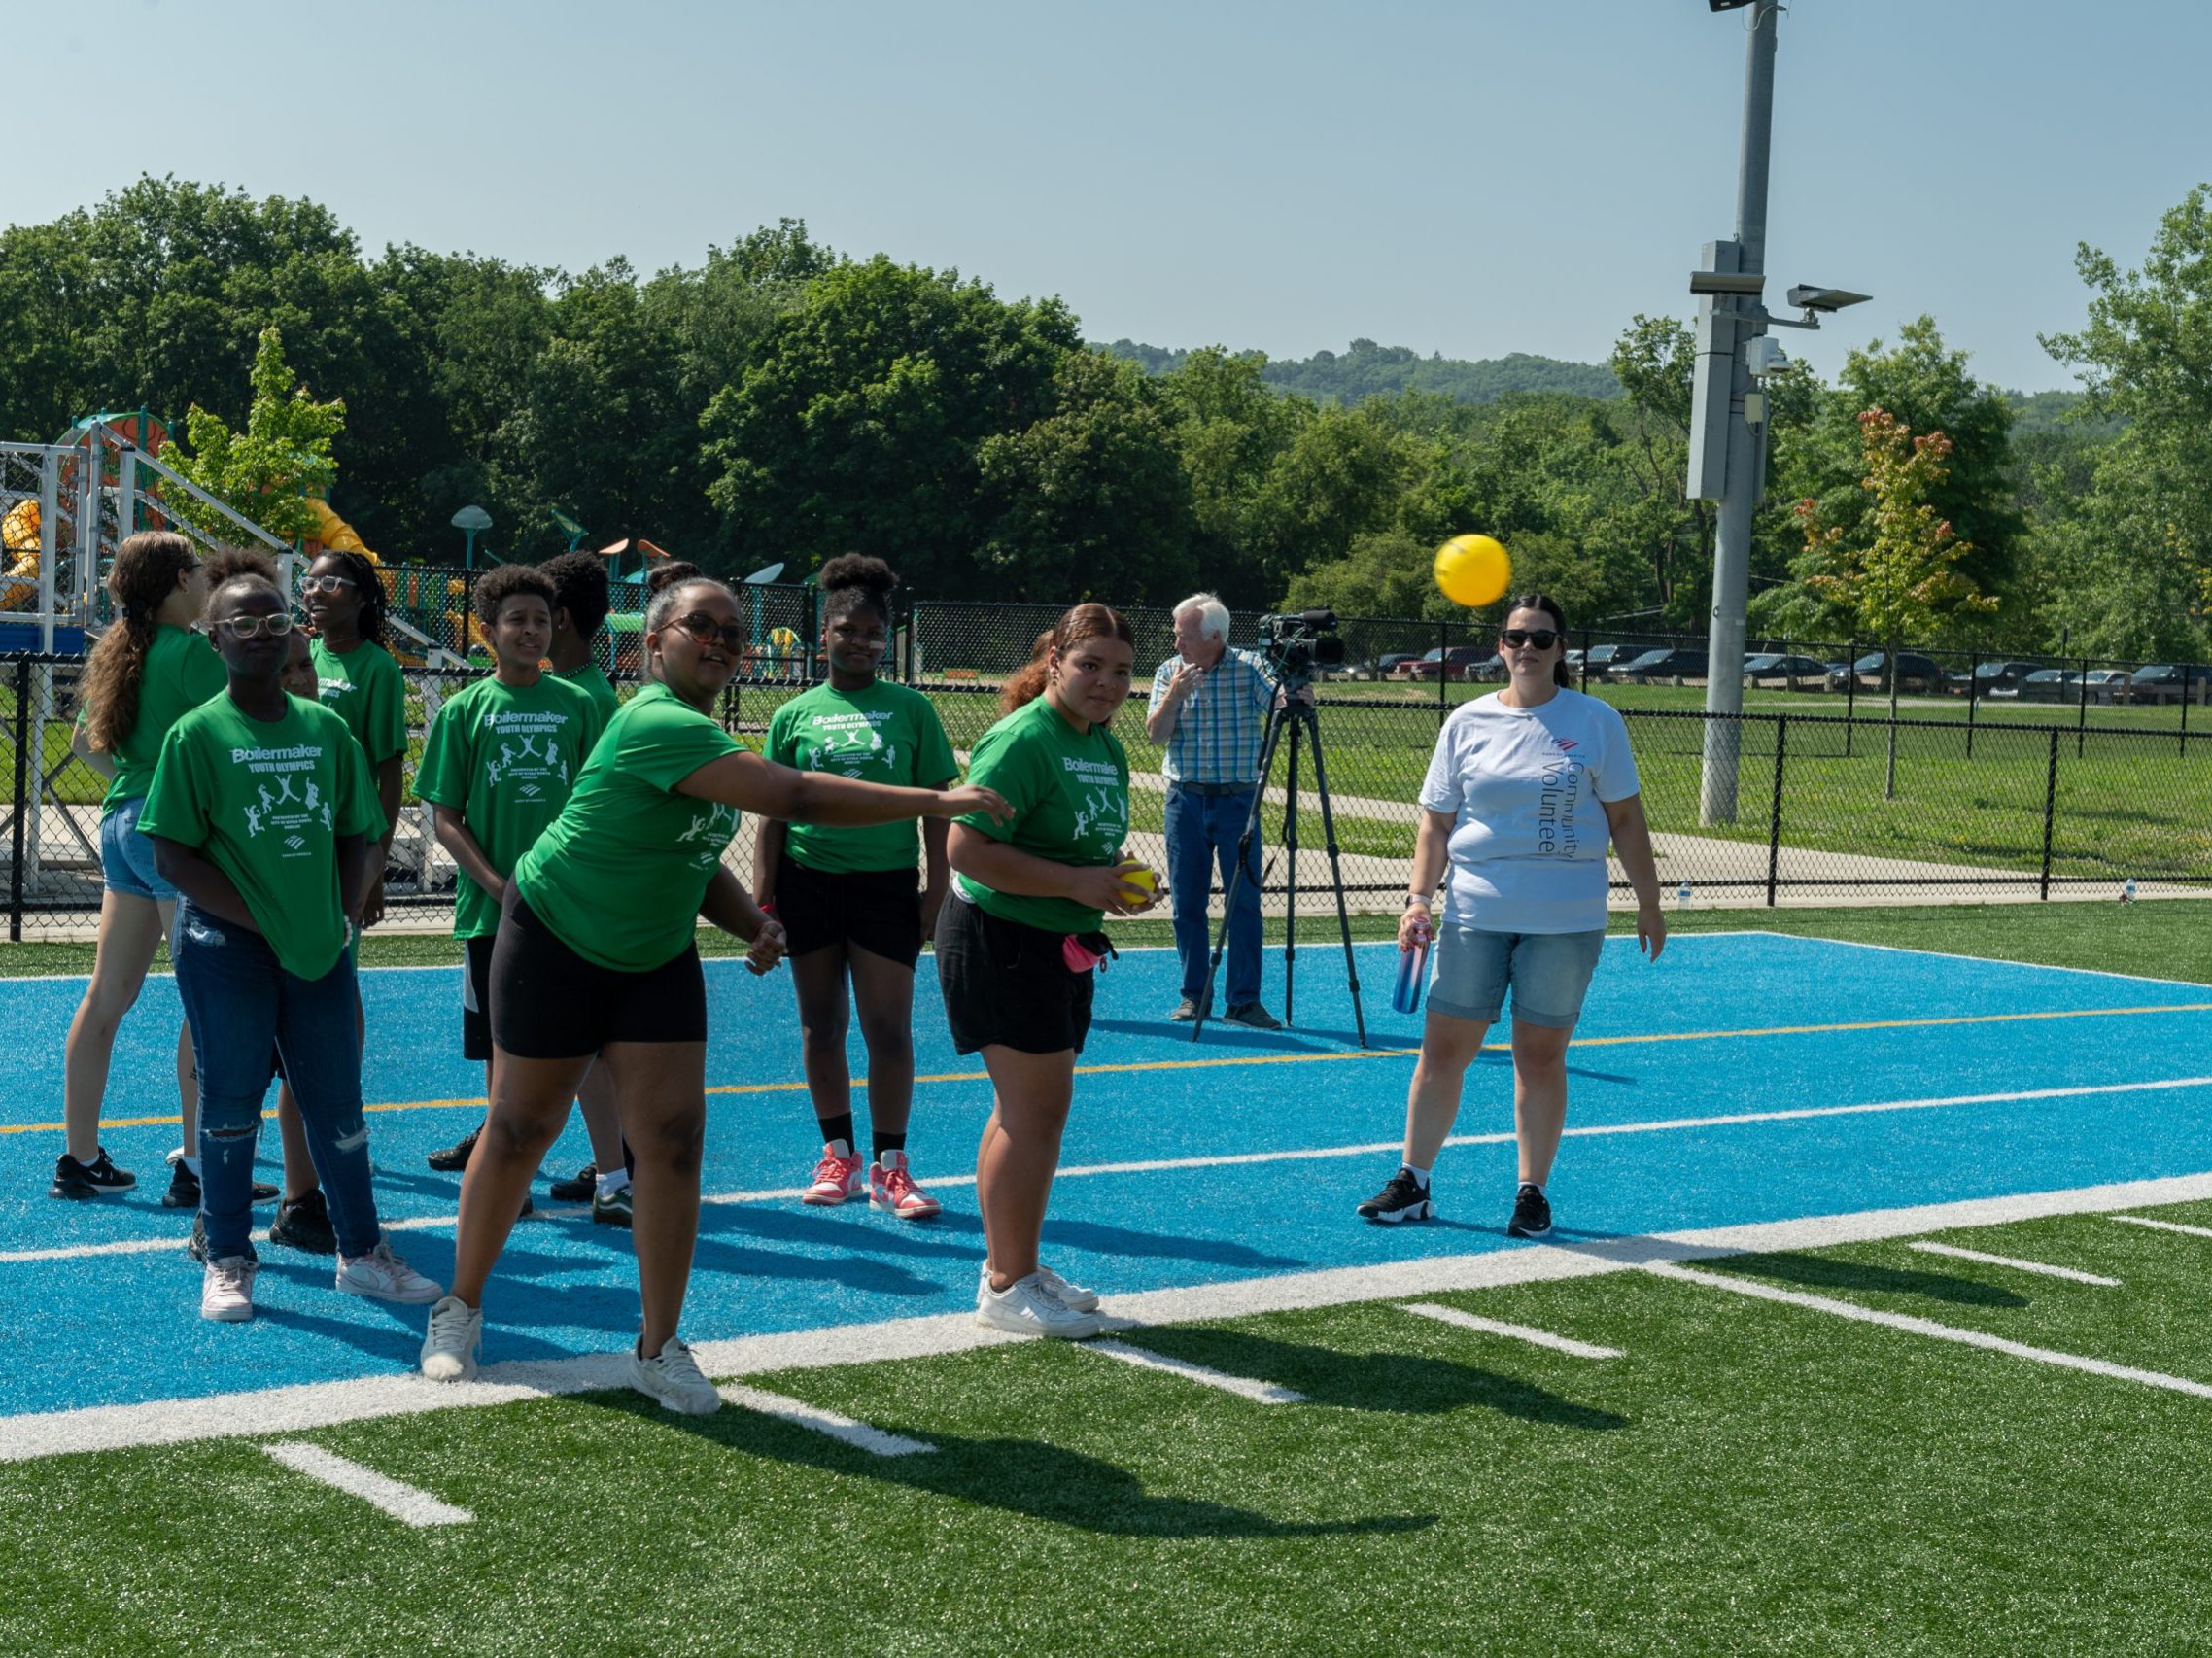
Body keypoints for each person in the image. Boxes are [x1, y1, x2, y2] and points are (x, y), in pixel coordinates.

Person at [418, 577, 1010, 1413]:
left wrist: (747, 923)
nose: (723, 642)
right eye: (703, 627)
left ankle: (659, 1348)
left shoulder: (701, 732)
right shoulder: (655, 719)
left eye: (734, 632)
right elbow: (796, 796)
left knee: (674, 1141)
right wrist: (937, 799)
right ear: (653, 644)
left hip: (654, 955)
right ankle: (459, 1308)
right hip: (555, 938)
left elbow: (690, 858)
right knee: (520, 1128)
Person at [140, 570, 443, 1321]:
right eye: (241, 624)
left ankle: (362, 1253)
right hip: (224, 951)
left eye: (275, 621)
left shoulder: (326, 731)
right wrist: (261, 920)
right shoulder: (197, 734)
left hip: (319, 950)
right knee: (231, 1103)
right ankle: (230, 1256)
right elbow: (175, 857)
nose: (262, 634)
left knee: (337, 1107)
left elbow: (358, 833)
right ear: (213, 640)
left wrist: (338, 914)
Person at [1356, 594, 1665, 1237]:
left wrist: (1649, 900)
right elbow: (1435, 825)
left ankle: (1532, 1193)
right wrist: (1418, 900)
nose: (1526, 648)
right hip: (1474, 912)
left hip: (1565, 919)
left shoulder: (1597, 720)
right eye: (1515, 637)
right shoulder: (1465, 722)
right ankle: (1412, 1181)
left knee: (1539, 1058)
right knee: (1442, 1052)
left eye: (1541, 639)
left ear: (1562, 649)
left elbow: (1626, 819)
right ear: (1500, 645)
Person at [941, 604, 1159, 1339]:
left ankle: (1016, 1265)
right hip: (1000, 937)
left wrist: (1118, 879)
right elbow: (965, 850)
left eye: (1122, 670)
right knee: (1032, 1112)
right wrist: (1076, 886)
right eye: (1090, 664)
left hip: (1056, 941)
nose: (1106, 682)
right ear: (1056, 661)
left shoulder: (1102, 743)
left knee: (1030, 1112)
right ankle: (1005, 1285)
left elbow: (1078, 851)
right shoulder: (1026, 735)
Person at [414, 567, 625, 1219]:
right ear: (488, 633)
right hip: (493, 916)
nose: (530, 631)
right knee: (503, 1053)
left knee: (588, 1049)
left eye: (541, 620)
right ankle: (512, 1183)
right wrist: (501, 887)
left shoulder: (582, 705)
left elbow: (604, 799)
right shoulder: (464, 712)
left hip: (573, 912)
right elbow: (446, 817)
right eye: (516, 621)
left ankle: (615, 1179)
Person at [753, 556, 958, 1220]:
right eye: (847, 629)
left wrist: (936, 892)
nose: (861, 642)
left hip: (886, 888)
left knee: (889, 1029)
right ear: (824, 636)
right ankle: (835, 1154)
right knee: (821, 1025)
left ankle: (891, 1166)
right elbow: (773, 815)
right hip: (807, 885)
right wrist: (764, 901)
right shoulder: (793, 716)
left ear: (887, 640)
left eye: (874, 632)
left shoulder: (912, 709)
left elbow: (936, 805)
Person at [54, 533, 217, 1201]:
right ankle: (200, 1165)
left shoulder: (121, 649)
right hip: (173, 829)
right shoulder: (193, 653)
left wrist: (136, 776)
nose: (209, 583)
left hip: (124, 823)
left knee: (106, 997)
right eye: (201, 573)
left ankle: (79, 1157)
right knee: (208, 997)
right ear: (179, 579)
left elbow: (81, 744)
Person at [1143, 592, 1286, 1030]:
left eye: (1185, 636)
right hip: (1184, 799)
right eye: (1176, 635)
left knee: (1243, 902)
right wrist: (1172, 697)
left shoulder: (1249, 668)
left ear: (1215, 636)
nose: (1177, 645)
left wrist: (1295, 688)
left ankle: (1243, 1000)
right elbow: (1154, 735)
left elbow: (1283, 708)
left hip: (1239, 800)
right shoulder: (1169, 672)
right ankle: (1194, 995)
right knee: (1187, 901)